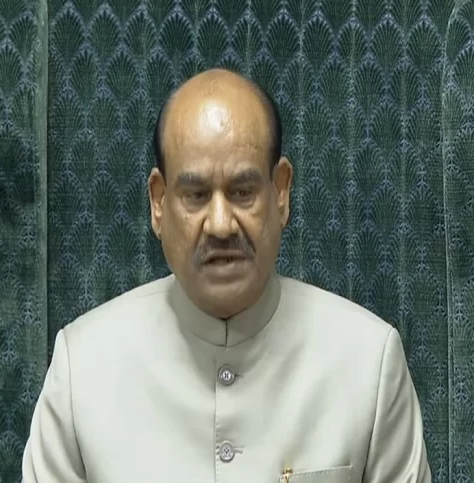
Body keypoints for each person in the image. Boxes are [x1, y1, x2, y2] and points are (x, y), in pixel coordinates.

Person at [22, 68, 431, 482]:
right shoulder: (83, 368)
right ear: (159, 202)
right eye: (196, 195)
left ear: (281, 192)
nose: (220, 225)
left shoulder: (368, 362)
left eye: (242, 192)